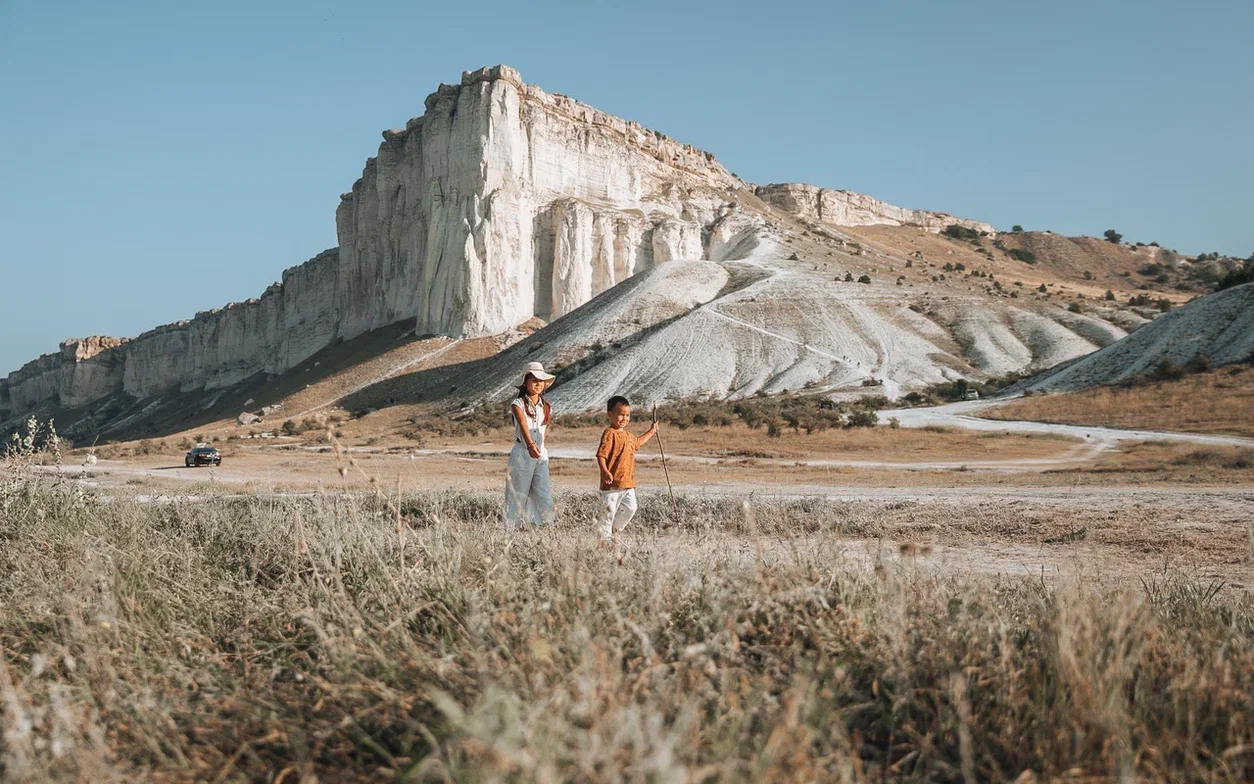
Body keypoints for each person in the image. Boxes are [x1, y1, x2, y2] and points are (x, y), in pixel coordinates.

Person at [595, 395, 659, 546]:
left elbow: (638, 442)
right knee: (609, 513)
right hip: (612, 484)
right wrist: (605, 471)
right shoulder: (609, 433)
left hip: (628, 482)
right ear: (610, 414)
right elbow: (601, 455)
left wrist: (652, 431)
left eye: (627, 415)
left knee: (631, 508)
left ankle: (615, 531)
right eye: (620, 414)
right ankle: (604, 544)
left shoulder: (628, 436)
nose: (624, 418)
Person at [504, 361, 556, 529]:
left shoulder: (547, 407)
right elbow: (523, 424)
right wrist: (530, 445)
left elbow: (542, 431)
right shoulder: (517, 404)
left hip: (540, 453)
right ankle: (511, 529)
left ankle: (546, 526)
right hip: (523, 453)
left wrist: (538, 447)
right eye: (533, 380)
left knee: (543, 492)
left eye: (541, 381)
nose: (538, 384)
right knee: (518, 494)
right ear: (525, 382)